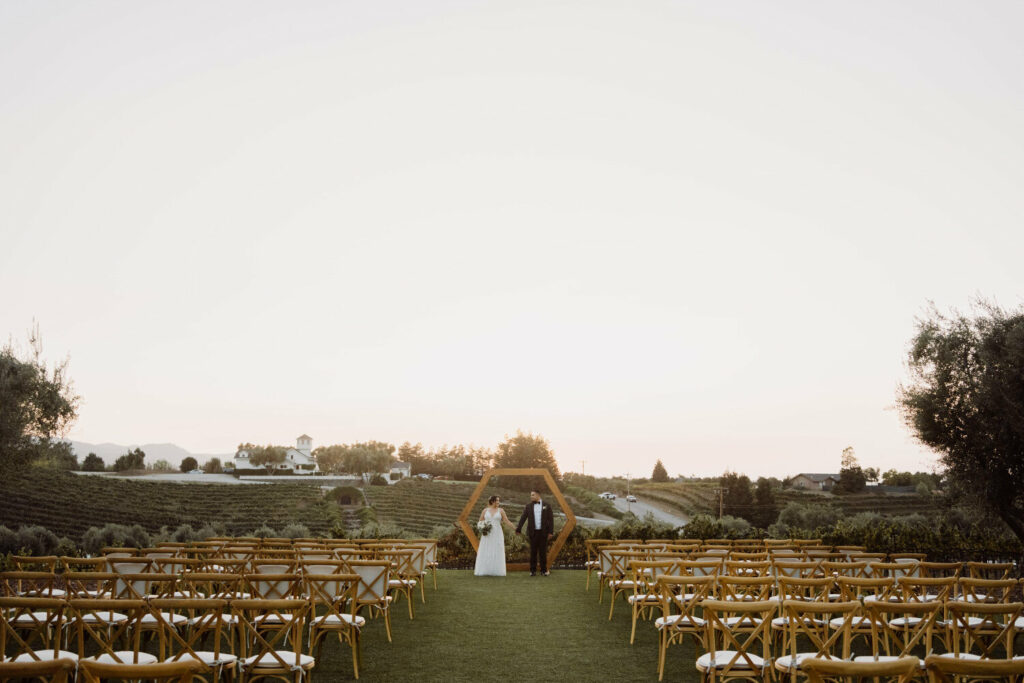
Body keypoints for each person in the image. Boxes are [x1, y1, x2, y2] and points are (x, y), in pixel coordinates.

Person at [516, 490, 554, 576]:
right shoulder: (528, 506)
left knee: (543, 552)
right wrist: (519, 528)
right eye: (531, 495)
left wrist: (551, 532)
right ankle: (532, 571)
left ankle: (543, 570)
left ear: (538, 495)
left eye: (533, 495)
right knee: (533, 552)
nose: (531, 497)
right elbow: (523, 518)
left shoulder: (546, 505)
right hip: (533, 532)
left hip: (543, 532)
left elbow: (551, 519)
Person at [474, 495, 512, 576]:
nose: (498, 502)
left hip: (497, 533)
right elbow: (480, 521)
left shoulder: (501, 510)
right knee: (487, 549)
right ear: (492, 501)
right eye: (497, 501)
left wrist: (516, 528)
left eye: (498, 500)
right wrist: (483, 527)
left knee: (497, 549)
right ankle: (485, 570)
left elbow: (506, 521)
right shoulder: (485, 510)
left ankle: (496, 571)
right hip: (487, 534)